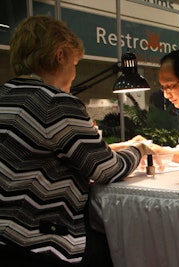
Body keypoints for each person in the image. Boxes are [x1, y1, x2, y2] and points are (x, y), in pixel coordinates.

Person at [0, 16, 152, 267]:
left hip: (6, 238)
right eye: (75, 64)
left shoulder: (6, 95)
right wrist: (139, 149)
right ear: (61, 55)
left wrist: (112, 147)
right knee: (127, 250)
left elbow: (42, 152)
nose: (74, 74)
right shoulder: (55, 102)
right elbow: (105, 169)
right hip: (39, 241)